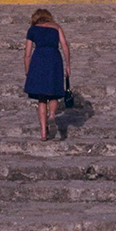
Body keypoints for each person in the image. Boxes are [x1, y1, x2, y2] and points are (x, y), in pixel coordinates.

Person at [23, 8, 71, 141]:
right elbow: (65, 46)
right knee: (54, 92)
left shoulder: (32, 30)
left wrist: (27, 70)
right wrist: (68, 65)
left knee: (41, 97)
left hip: (38, 60)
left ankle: (44, 132)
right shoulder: (56, 27)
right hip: (54, 59)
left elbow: (27, 54)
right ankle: (52, 116)